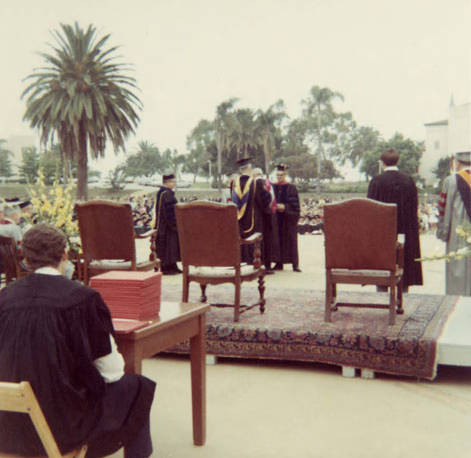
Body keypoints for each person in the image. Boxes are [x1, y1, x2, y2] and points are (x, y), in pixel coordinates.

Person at [0, 224, 156, 457]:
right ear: (64, 254)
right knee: (137, 387)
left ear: (25, 258)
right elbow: (111, 373)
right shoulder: (83, 299)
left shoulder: (5, 297)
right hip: (60, 429)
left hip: (8, 427)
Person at [367, 148, 423, 292]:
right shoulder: (408, 181)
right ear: (398, 161)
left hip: (383, 232)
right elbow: (413, 208)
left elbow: (370, 209)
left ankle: (382, 292)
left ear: (382, 162)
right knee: (405, 263)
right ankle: (403, 292)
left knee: (383, 266)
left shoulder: (376, 181)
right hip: (406, 230)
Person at [437, 151, 471, 296]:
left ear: (457, 163)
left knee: (457, 266)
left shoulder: (451, 181)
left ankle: (456, 303)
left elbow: (443, 208)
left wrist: (444, 232)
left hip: (458, 232)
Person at [230, 158, 272, 272]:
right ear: (249, 168)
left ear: (240, 170)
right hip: (255, 218)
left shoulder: (233, 183)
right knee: (255, 239)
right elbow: (265, 199)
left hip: (239, 218)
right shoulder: (256, 183)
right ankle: (255, 264)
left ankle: (241, 262)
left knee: (241, 237)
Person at [272, 164, 301, 272]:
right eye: (278, 175)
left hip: (288, 220)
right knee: (277, 240)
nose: (279, 177)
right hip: (276, 219)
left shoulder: (291, 188)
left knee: (291, 241)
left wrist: (285, 207)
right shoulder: (273, 187)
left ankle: (295, 264)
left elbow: (296, 206)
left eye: (281, 175)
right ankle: (278, 263)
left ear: (285, 175)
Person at [154, 173, 181, 274]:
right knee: (169, 246)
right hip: (167, 226)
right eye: (173, 182)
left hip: (162, 224)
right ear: (167, 182)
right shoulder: (167, 193)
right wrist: (175, 224)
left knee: (171, 246)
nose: (174, 184)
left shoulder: (161, 192)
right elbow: (170, 211)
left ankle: (173, 266)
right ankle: (167, 268)